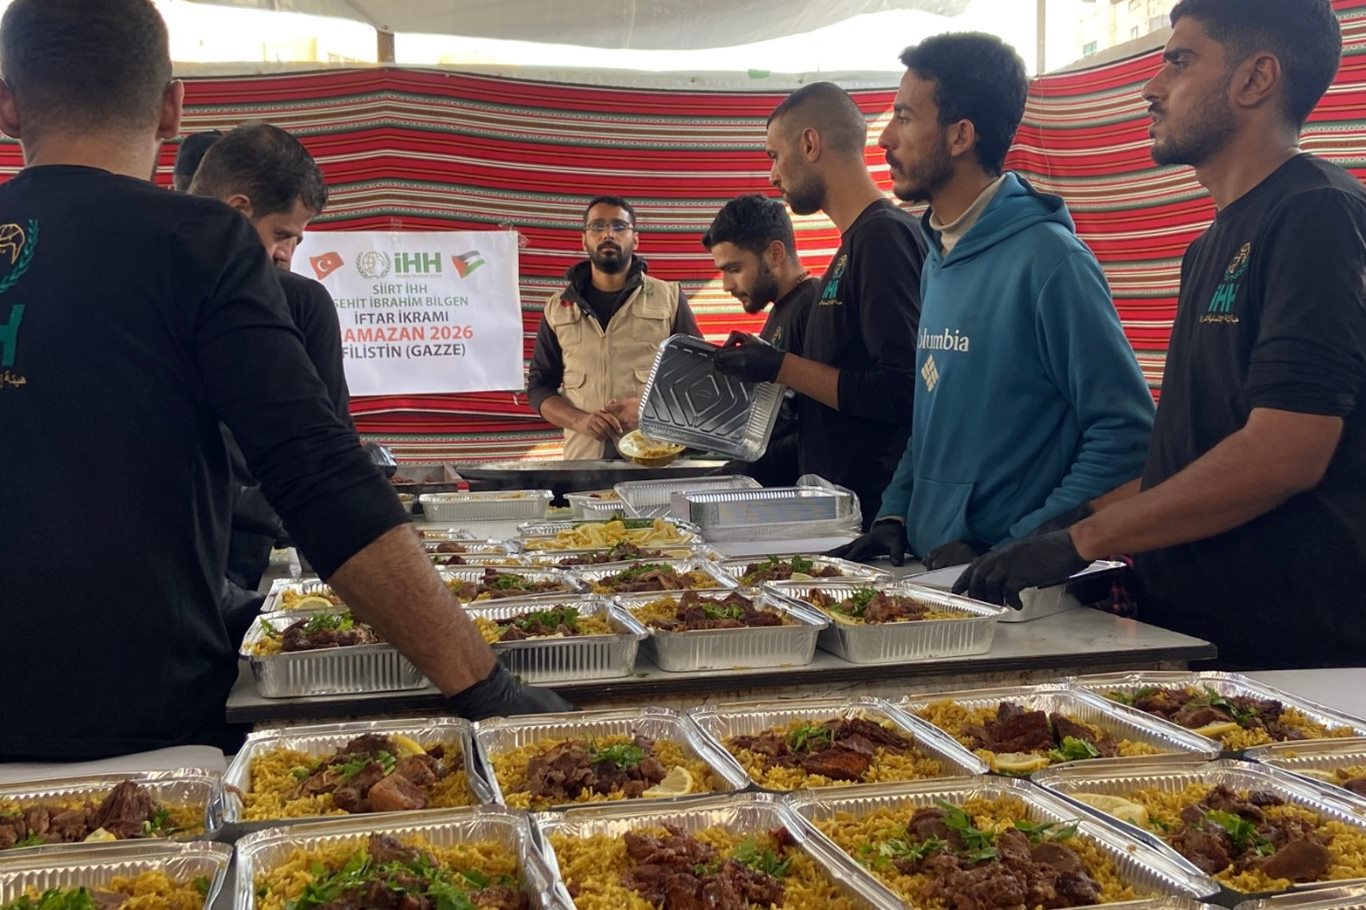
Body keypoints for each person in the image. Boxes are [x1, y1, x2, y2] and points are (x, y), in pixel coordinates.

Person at [0, 0, 569, 762]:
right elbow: (315, 472)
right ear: (172, 107)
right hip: (139, 722)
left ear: (7, 106)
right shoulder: (197, 242)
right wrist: (484, 686)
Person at [954, 0, 1366, 669]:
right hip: (1191, 634)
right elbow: (1196, 453)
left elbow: (1284, 453)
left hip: (1294, 657)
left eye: (1179, 62)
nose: (1151, 86)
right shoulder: (1207, 246)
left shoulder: (1317, 212)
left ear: (1256, 79)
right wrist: (1059, 523)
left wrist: (1086, 539)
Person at [830, 33, 1155, 569]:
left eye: (904, 117)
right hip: (930, 579)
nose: (885, 137)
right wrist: (896, 514)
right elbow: (930, 416)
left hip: (1011, 592)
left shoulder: (1052, 261)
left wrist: (1016, 545)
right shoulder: (937, 254)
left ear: (960, 135)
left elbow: (1126, 435)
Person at [712, 82, 925, 527]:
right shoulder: (852, 245)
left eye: (774, 155)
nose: (772, 176)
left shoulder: (883, 237)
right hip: (833, 512)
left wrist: (779, 366)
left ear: (810, 144)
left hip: (873, 519)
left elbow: (901, 390)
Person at [189, 122, 355, 634]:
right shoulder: (154, 294)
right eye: (282, 234)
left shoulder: (292, 299)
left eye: (297, 240)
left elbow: (326, 443)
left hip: (234, 556)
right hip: (173, 571)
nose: (286, 253)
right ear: (238, 211)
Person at [526, 196, 701, 460]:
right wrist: (579, 421)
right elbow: (540, 387)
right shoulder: (558, 307)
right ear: (584, 240)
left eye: (619, 227)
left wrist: (648, 412)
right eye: (597, 227)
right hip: (584, 463)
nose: (608, 234)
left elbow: (698, 380)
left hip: (653, 460)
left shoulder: (669, 298)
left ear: (635, 239)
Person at [701, 194, 819, 486]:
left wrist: (747, 469)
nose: (726, 285)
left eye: (734, 269)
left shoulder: (812, 307)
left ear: (775, 254)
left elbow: (818, 428)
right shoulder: (782, 308)